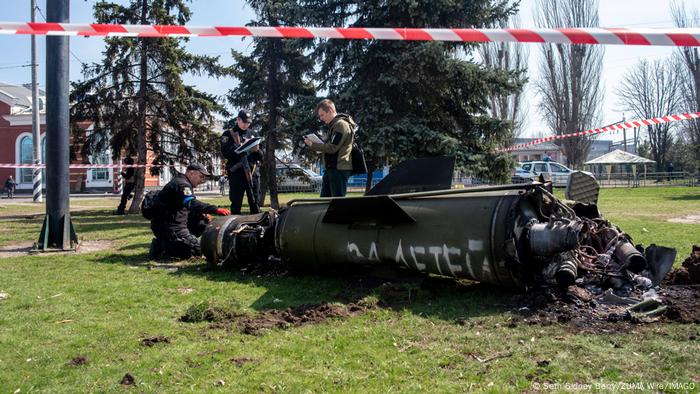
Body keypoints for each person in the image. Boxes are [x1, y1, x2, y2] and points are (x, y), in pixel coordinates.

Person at [148, 163, 230, 260]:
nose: (202, 181)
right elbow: (191, 203)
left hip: (174, 224)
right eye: (201, 176)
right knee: (197, 250)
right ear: (191, 173)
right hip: (170, 228)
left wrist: (202, 214)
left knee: (203, 223)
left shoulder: (182, 182)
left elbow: (186, 207)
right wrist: (215, 209)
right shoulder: (182, 184)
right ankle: (162, 245)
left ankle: (172, 243)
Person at [304, 99, 355, 197]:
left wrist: (312, 144)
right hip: (331, 169)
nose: (321, 118)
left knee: (336, 203)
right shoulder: (334, 126)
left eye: (322, 115)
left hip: (338, 169)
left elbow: (333, 148)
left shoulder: (341, 125)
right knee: (324, 202)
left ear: (331, 110)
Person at [220, 109, 262, 214]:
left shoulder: (253, 134)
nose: (246, 124)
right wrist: (241, 147)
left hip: (252, 172)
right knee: (236, 202)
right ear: (238, 120)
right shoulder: (229, 134)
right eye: (244, 121)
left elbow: (261, 156)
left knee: (255, 201)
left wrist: (256, 150)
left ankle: (257, 225)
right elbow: (225, 152)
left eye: (248, 122)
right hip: (237, 173)